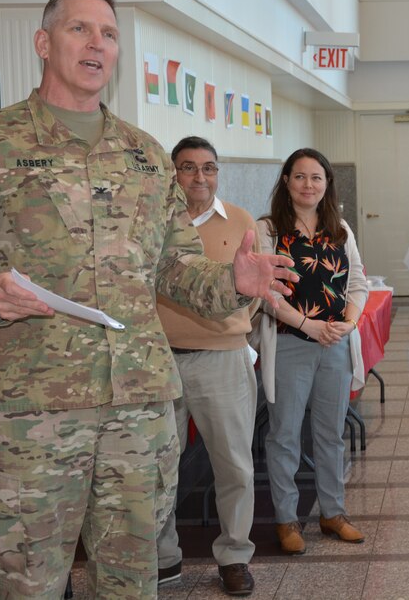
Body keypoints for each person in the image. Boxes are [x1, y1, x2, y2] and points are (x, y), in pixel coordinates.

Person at [0, 0, 295, 599]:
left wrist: (232, 282)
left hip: (139, 414)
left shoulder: (144, 157)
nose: (97, 44)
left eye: (109, 34)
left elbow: (176, 271)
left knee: (134, 582)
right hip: (30, 416)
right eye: (79, 29)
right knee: (30, 583)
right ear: (44, 42)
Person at [155, 137, 258, 594]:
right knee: (157, 467)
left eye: (209, 168)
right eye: (188, 167)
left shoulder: (239, 221)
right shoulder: (152, 222)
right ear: (172, 173)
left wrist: (230, 328)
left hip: (222, 361)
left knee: (233, 465)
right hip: (160, 362)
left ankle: (234, 556)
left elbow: (254, 289)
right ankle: (164, 557)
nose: (200, 177)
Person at [253, 148, 368, 556]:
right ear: (286, 181)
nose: (308, 185)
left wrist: (348, 323)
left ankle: (332, 513)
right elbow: (263, 292)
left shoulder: (341, 229)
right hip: (289, 342)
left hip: (334, 345)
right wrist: (307, 325)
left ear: (327, 184)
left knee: (330, 435)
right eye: (300, 177)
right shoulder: (267, 230)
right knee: (284, 434)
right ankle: (287, 519)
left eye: (316, 178)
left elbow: (357, 285)